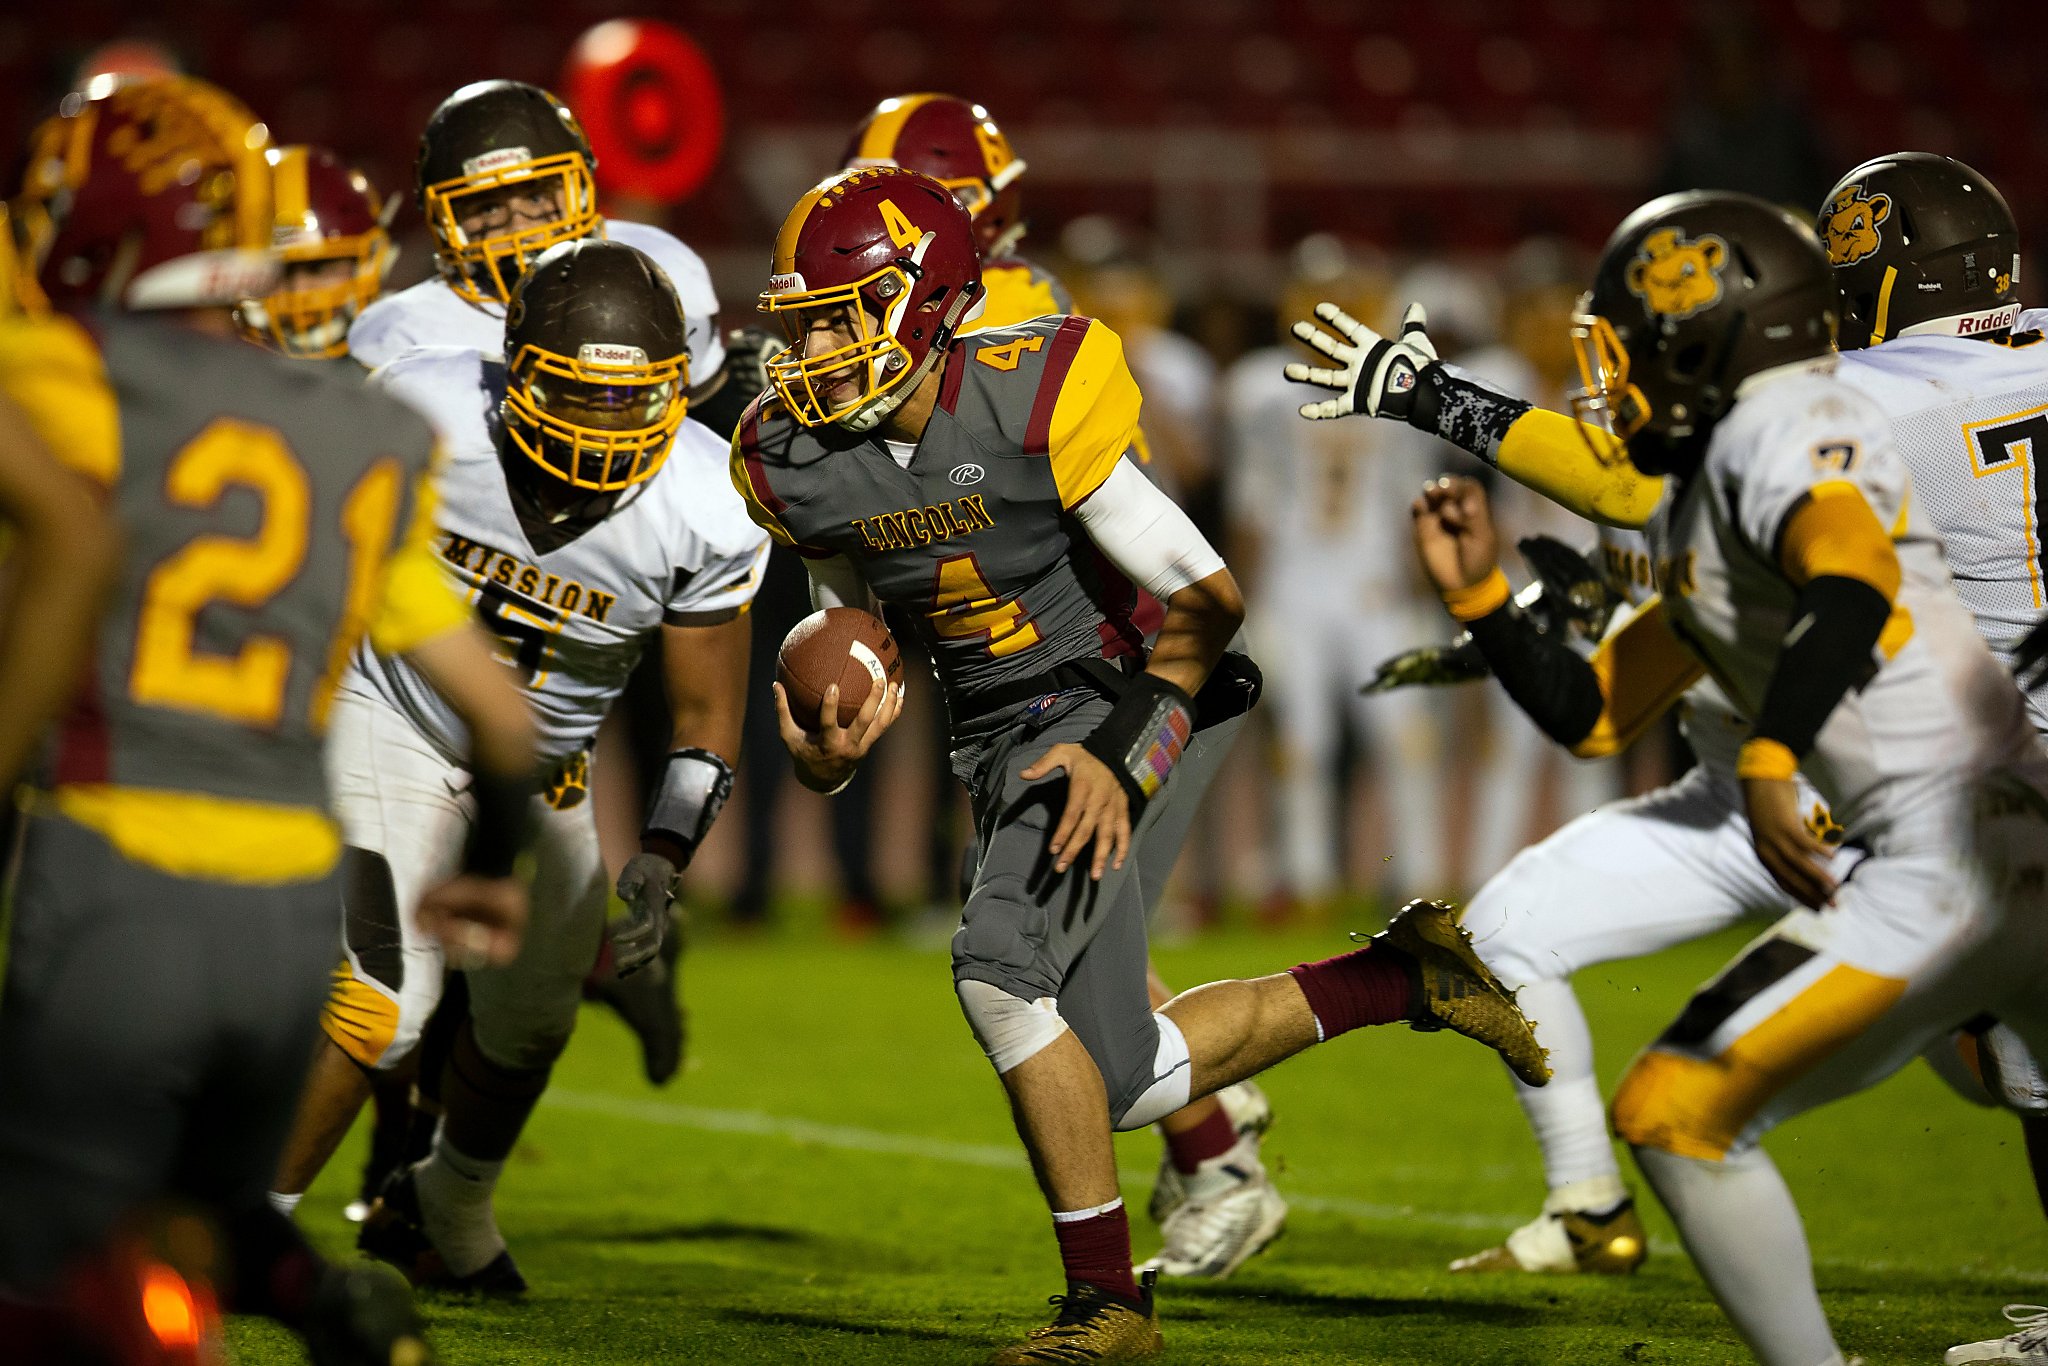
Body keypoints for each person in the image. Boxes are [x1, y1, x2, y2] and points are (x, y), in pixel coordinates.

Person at [733, 165, 1548, 1363]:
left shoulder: (1031, 394)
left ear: (928, 301)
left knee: (999, 974)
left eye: (841, 314)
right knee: (1119, 1078)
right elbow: (859, 648)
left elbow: (1207, 601)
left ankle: (1109, 1307)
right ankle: (1401, 979)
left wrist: (1121, 752)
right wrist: (825, 759)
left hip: (1130, 690)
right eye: (799, 319)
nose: (815, 345)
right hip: (1002, 728)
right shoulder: (791, 458)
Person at [1296, 187, 2048, 1366]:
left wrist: (1428, 394)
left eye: (1637, 349)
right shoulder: (1737, 490)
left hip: (1940, 833)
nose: (1610, 383)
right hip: (2002, 801)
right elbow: (1595, 710)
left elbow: (1816, 565)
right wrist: (1485, 600)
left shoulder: (1797, 427)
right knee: (2006, 1068)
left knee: (1682, 1109)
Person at [0, 74, 537, 1365]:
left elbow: (68, 536)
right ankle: (339, 1311)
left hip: (116, 864)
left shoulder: (72, 372)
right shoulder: (369, 431)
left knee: (38, 1271)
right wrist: (491, 874)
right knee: (208, 1220)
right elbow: (507, 720)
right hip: (289, 913)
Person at [842, 93, 1284, 1279]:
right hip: (1032, 674)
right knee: (1059, 944)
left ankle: (1216, 1160)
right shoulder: (952, 316)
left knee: (1036, 956)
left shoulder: (1017, 321)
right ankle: (1214, 1148)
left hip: (1118, 671)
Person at [271, 238, 765, 1295]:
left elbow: (703, 717)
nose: (605, 427)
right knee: (383, 998)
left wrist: (667, 851)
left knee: (533, 1015)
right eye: (581, 396)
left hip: (546, 772)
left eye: (636, 401)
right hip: (389, 711)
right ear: (515, 367)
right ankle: (237, 1226)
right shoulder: (426, 410)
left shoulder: (705, 504)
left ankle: (449, 1197)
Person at [234, 145, 395, 360]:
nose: (301, 290)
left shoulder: (403, 354)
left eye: (320, 268)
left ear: (366, 262)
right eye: (279, 271)